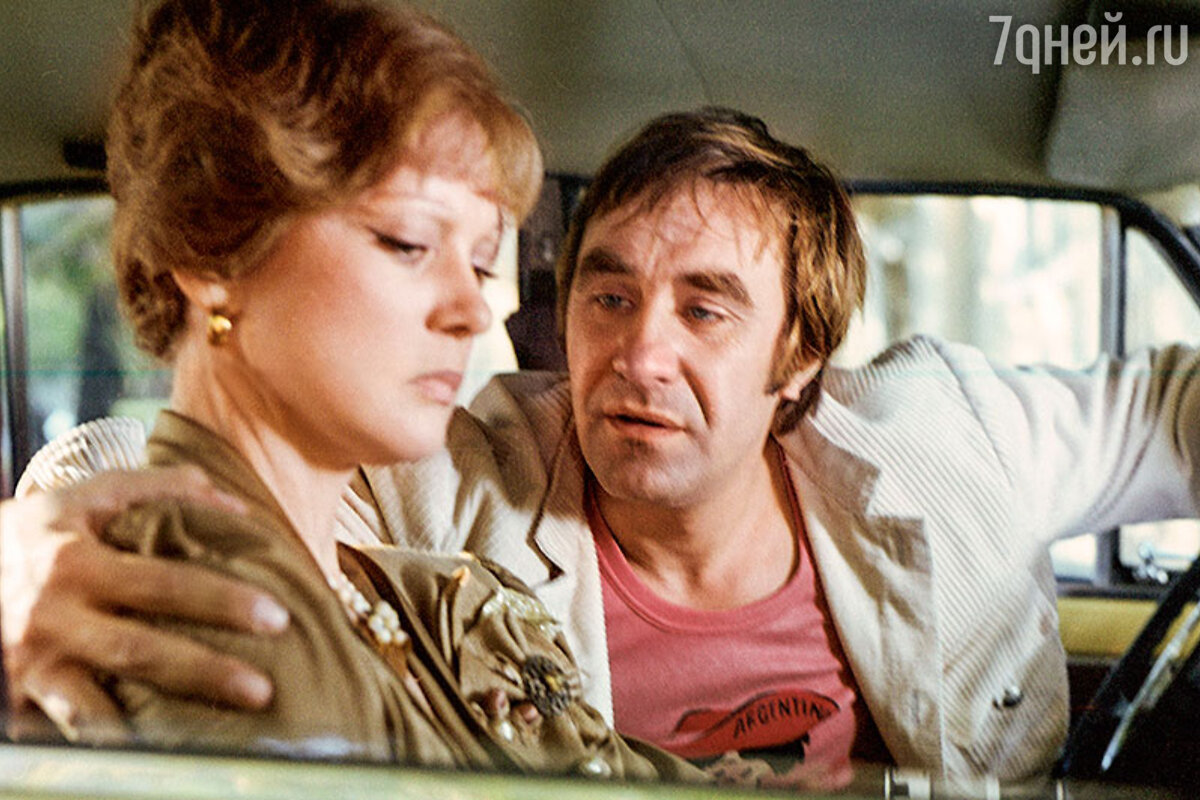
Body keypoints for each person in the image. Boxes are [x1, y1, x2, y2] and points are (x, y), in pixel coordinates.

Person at [6, 107, 1200, 789]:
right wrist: (33, 546)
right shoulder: (459, 476)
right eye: (609, 295)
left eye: (706, 307)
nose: (639, 353)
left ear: (799, 355)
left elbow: (1171, 405)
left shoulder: (943, 439)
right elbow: (165, 459)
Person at [0, 0, 702, 783]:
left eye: (479, 263)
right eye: (408, 242)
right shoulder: (213, 610)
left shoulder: (399, 591)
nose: (472, 309)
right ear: (212, 255)